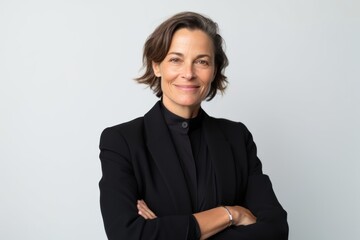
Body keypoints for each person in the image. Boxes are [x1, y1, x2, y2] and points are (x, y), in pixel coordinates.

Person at [99, 11, 288, 240]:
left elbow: (275, 231)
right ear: (157, 66)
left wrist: (166, 230)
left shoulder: (237, 138)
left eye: (201, 61)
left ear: (214, 70)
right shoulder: (121, 142)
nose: (188, 73)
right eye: (175, 59)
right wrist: (230, 214)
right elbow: (126, 236)